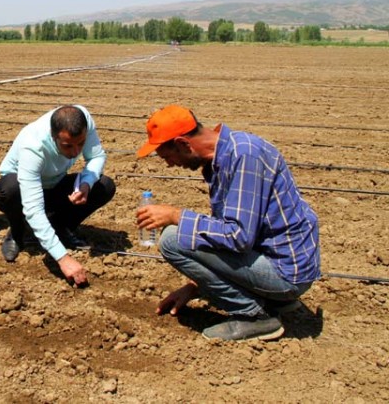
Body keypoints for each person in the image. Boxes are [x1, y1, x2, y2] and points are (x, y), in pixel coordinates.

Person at [136, 105, 321, 341]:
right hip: (275, 257)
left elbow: (238, 236)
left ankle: (255, 316)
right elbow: (227, 232)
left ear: (183, 143)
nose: (170, 165)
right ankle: (272, 299)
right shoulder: (225, 156)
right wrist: (196, 285)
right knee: (187, 234)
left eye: (168, 157)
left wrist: (176, 215)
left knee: (173, 238)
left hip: (286, 272)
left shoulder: (244, 157)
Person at [0, 105, 116, 286]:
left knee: (104, 186)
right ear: (53, 135)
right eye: (67, 146)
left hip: (54, 184)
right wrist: (63, 258)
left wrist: (86, 183)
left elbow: (96, 156)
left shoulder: (83, 121)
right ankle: (17, 232)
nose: (75, 152)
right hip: (21, 188)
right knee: (10, 190)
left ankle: (60, 227)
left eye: (80, 144)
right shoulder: (33, 146)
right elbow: (33, 207)